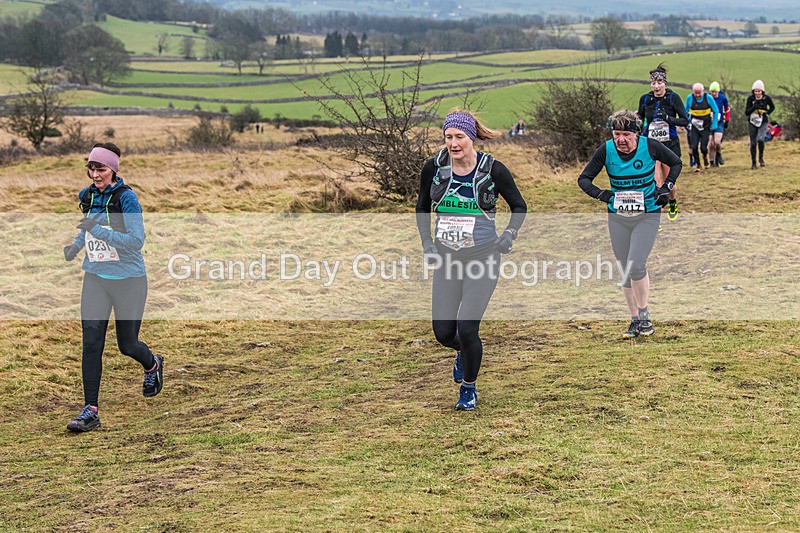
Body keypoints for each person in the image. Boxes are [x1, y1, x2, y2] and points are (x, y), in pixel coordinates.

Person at [416, 110, 527, 410]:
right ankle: (465, 352)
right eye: (448, 137)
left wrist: (509, 235)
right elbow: (422, 207)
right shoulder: (435, 168)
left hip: (483, 257)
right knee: (443, 333)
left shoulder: (493, 170)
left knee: (467, 328)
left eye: (459, 137)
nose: (453, 143)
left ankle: (469, 389)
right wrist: (427, 243)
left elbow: (519, 206)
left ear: (472, 137)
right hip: (448, 260)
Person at [63, 142, 163, 432]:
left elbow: (135, 241)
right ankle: (90, 410)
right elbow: (89, 225)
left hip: (129, 280)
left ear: (113, 170)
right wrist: (76, 246)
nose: (95, 174)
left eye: (101, 169)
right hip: (95, 277)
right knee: (91, 345)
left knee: (127, 345)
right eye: (91, 168)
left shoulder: (127, 198)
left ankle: (152, 364)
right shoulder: (88, 196)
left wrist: (99, 232)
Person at [578, 110, 682, 338]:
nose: (621, 140)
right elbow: (583, 179)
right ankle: (634, 319)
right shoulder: (606, 150)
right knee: (625, 269)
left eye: (626, 134)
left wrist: (665, 188)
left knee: (636, 265)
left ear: (636, 134)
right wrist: (602, 195)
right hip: (618, 217)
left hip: (647, 214)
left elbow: (675, 163)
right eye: (617, 134)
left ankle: (644, 315)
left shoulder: (650, 146)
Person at [637, 63, 687, 222]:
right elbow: (639, 118)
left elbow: (685, 121)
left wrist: (668, 119)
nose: (656, 86)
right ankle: (654, 216)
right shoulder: (645, 99)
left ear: (665, 83)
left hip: (669, 144)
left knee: (668, 180)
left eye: (659, 83)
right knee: (654, 180)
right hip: (651, 145)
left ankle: (672, 202)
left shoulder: (673, 98)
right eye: (653, 83)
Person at [685, 83, 719, 173]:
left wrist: (714, 124)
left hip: (706, 126)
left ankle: (705, 157)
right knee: (694, 146)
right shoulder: (690, 98)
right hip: (694, 126)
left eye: (699, 93)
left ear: (703, 91)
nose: (697, 95)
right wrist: (684, 122)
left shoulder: (708, 98)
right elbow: (685, 111)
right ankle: (698, 164)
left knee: (703, 147)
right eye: (696, 93)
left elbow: (716, 110)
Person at [744, 80, 776, 169]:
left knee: (761, 139)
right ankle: (753, 162)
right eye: (755, 91)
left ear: (762, 91)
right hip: (752, 122)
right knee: (753, 143)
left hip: (763, 122)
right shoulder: (750, 99)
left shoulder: (766, 98)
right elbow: (746, 112)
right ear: (753, 92)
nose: (757, 93)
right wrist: (753, 107)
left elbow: (772, 107)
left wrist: (767, 112)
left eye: (759, 91)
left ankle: (761, 158)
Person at [708, 81, 730, 167]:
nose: (713, 93)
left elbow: (727, 109)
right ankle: (712, 162)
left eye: (715, 91)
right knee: (710, 144)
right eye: (712, 91)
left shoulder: (722, 98)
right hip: (709, 123)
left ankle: (719, 155)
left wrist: (727, 120)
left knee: (717, 142)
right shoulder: (707, 98)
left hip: (719, 122)